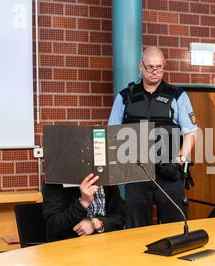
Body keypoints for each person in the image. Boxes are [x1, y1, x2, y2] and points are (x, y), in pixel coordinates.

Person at [108, 46, 198, 227]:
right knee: (136, 227)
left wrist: (179, 159)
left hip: (169, 172)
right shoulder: (125, 97)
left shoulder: (177, 95)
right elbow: (112, 133)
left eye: (159, 67)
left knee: (175, 226)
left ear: (164, 66)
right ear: (141, 66)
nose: (155, 71)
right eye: (150, 66)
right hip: (136, 173)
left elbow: (191, 132)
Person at [43, 174, 125, 242]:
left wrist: (97, 223)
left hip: (105, 245)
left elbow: (120, 217)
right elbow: (53, 226)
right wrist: (83, 203)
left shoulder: (106, 176)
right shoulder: (56, 178)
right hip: (70, 248)